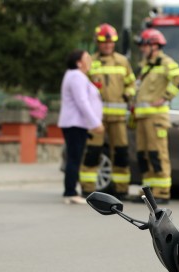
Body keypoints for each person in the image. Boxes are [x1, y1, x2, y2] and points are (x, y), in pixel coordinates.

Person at [79, 24, 136, 199]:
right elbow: (82, 85)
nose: (107, 46)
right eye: (104, 43)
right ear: (97, 42)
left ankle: (121, 189)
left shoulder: (122, 61)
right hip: (96, 119)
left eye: (110, 42)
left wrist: (128, 93)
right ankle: (87, 189)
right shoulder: (90, 61)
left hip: (118, 118)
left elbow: (131, 83)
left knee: (120, 154)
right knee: (92, 153)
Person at [132, 28, 179, 204]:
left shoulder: (165, 62)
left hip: (156, 118)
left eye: (144, 45)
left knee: (157, 154)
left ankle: (162, 192)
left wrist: (165, 97)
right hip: (142, 118)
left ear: (154, 45)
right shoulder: (145, 65)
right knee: (144, 155)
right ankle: (148, 192)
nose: (142, 49)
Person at [58, 50, 104, 205]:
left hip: (76, 123)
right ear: (78, 62)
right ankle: (70, 192)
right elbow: (82, 102)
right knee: (74, 158)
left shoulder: (76, 76)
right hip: (75, 123)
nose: (90, 60)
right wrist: (95, 123)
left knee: (75, 158)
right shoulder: (76, 76)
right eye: (86, 58)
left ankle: (71, 191)